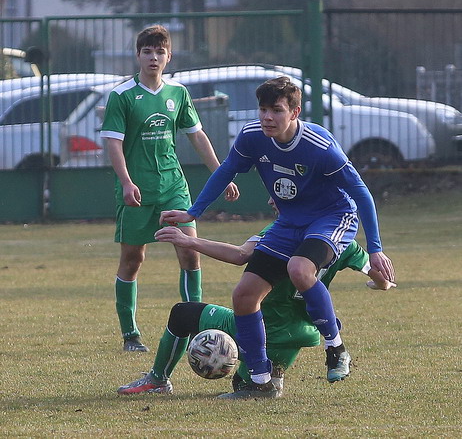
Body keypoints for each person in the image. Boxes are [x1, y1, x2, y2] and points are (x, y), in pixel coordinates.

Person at [160, 76, 395, 398]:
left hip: (331, 216)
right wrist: (193, 212)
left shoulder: (319, 145)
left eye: (277, 110)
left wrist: (376, 249)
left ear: (295, 112)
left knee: (299, 268)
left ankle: (335, 347)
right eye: (263, 109)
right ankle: (261, 382)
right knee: (244, 295)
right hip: (289, 221)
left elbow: (361, 193)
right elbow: (226, 170)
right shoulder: (252, 137)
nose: (268, 117)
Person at [117, 223, 395, 397]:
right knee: (241, 384)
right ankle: (270, 376)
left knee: (182, 313)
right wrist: (379, 284)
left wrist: (189, 241)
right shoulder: (341, 240)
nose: (273, 200)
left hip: (261, 326)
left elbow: (240, 254)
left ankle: (158, 380)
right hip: (298, 335)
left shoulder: (280, 232)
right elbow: (380, 276)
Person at [100, 24, 239, 352]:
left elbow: (197, 136)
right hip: (138, 191)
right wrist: (126, 181)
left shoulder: (178, 93)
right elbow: (113, 143)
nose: (153, 57)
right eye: (147, 51)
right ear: (138, 55)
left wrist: (222, 174)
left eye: (159, 52)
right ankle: (130, 335)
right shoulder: (122, 96)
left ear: (169, 56)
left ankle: (195, 327)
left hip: (173, 187)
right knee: (133, 259)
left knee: (190, 253)